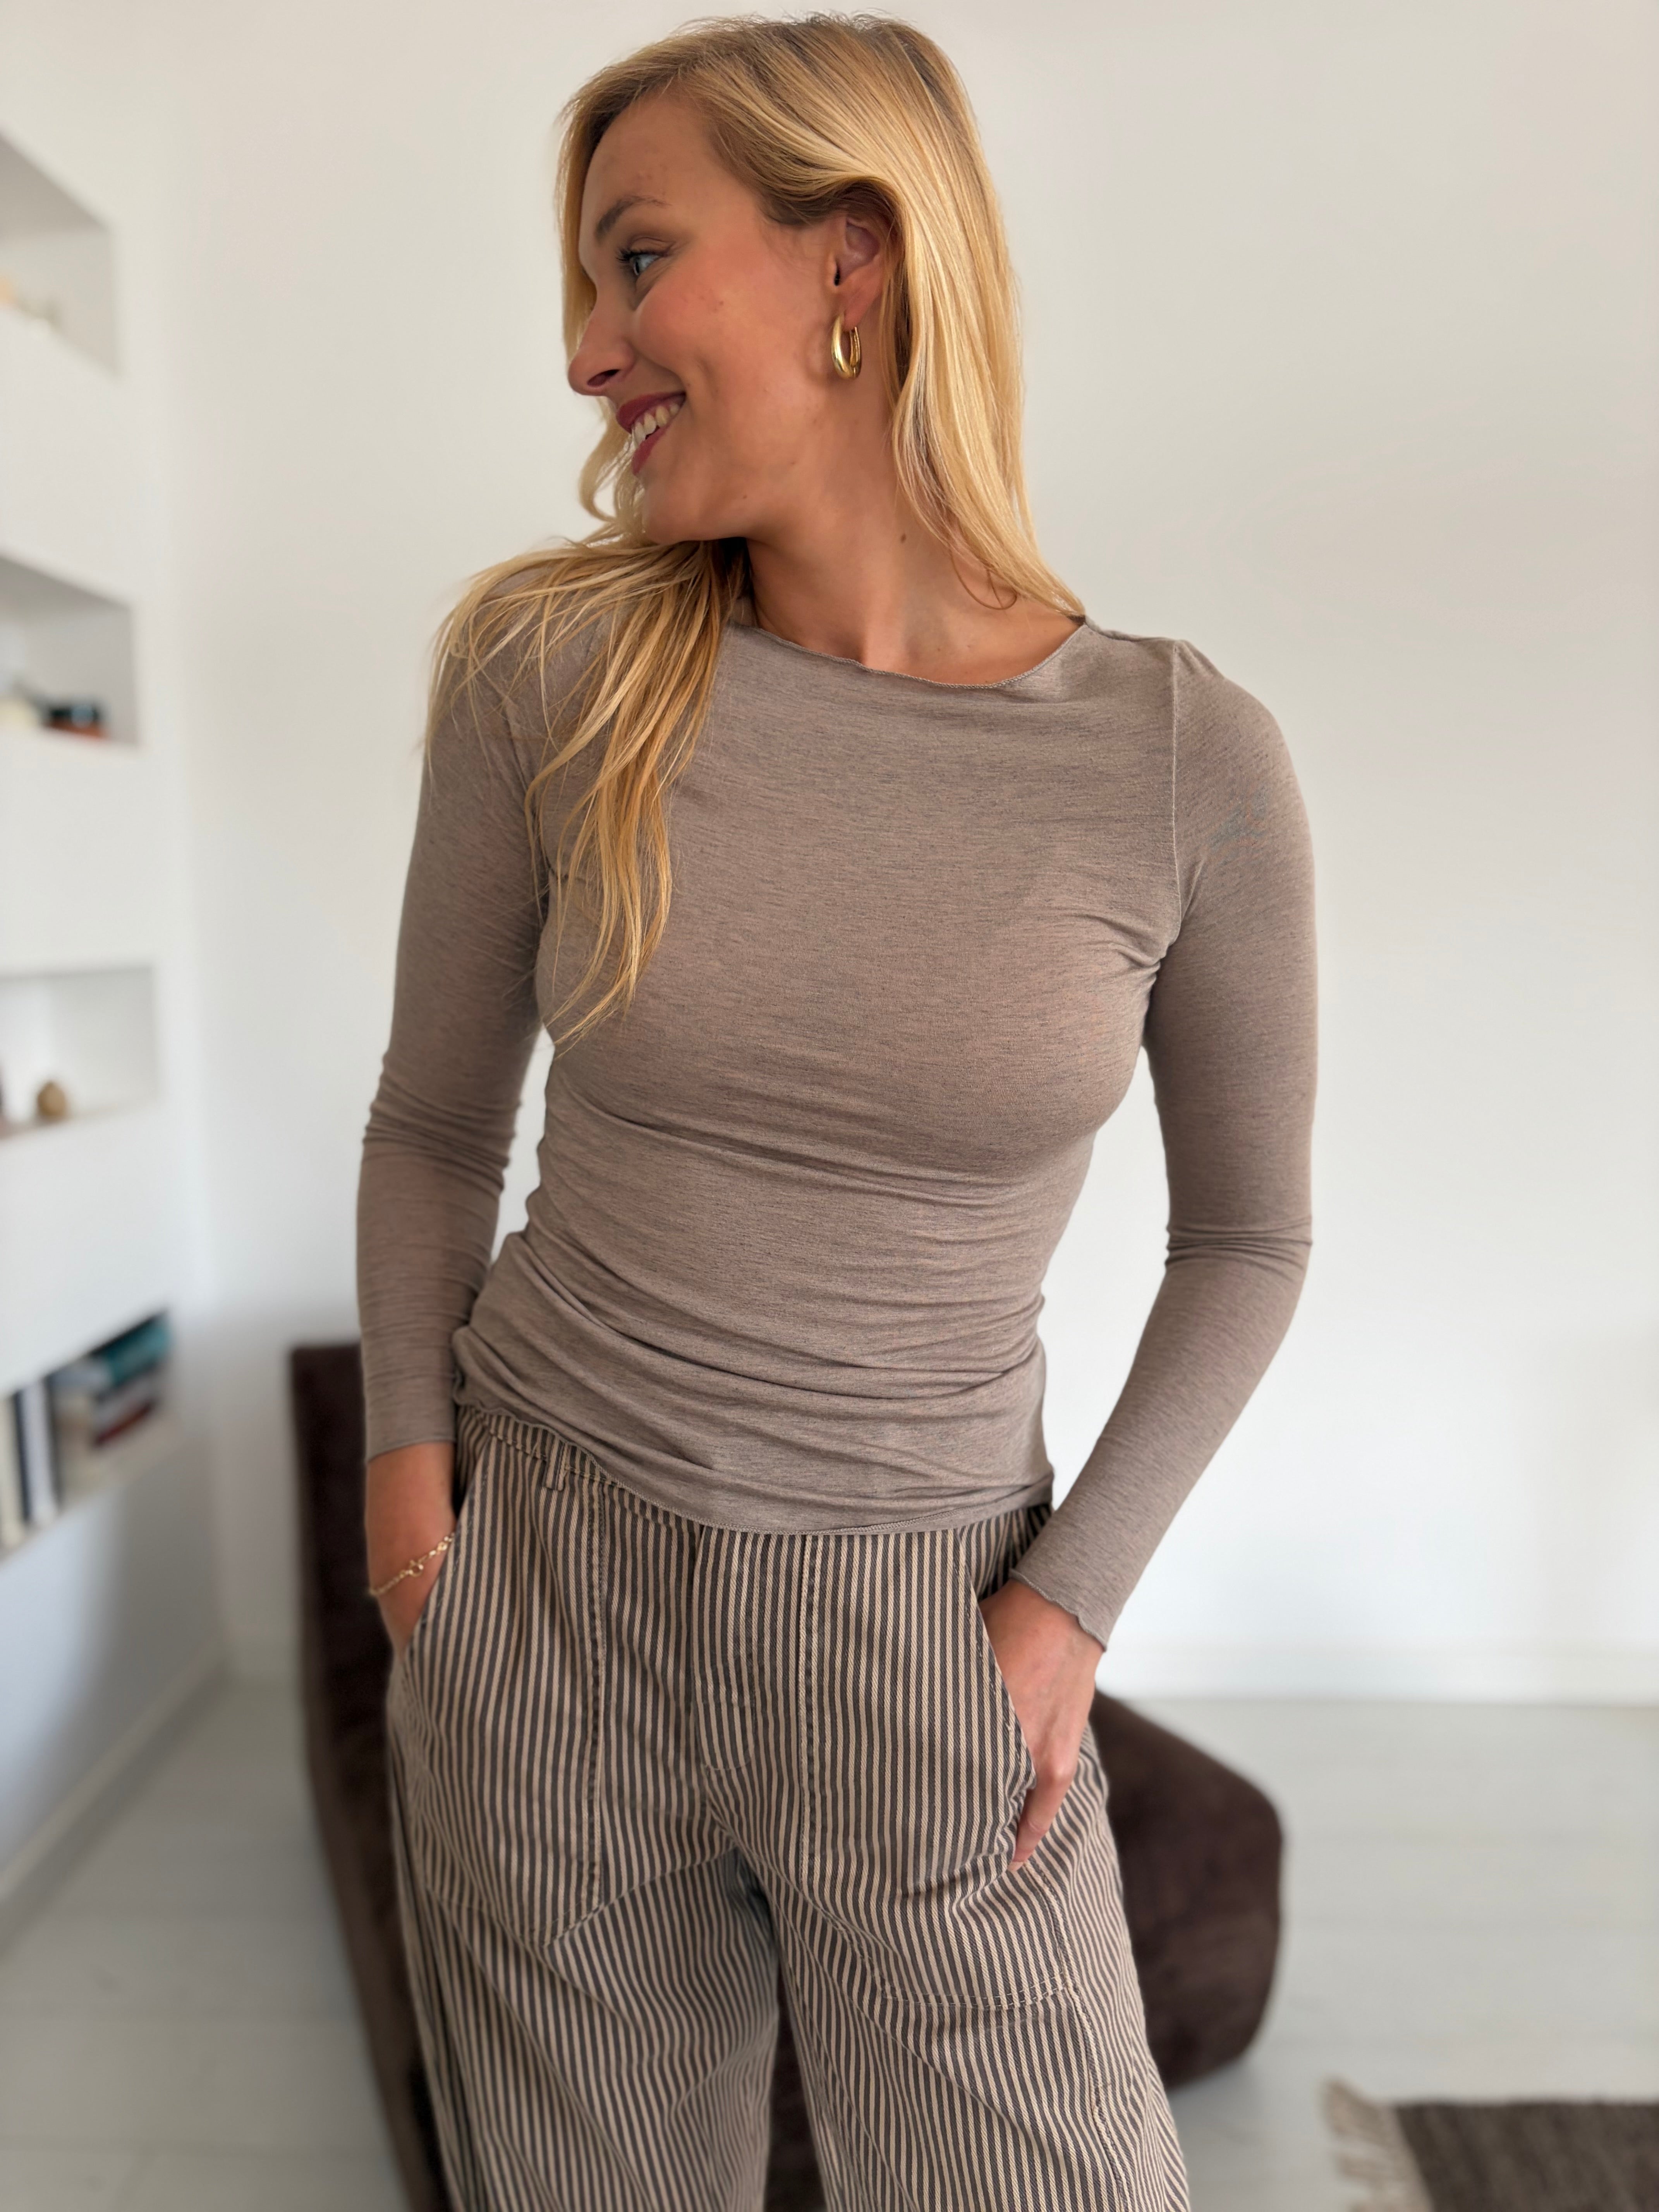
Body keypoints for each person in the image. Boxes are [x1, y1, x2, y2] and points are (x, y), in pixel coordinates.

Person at [356, 14, 1317, 2210]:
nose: (588, 353)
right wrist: (419, 1522)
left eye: (638, 261)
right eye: (585, 287)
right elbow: (433, 1124)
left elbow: (1250, 1240)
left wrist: (1068, 1608)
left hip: (928, 1618)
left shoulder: (1180, 759)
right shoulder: (547, 673)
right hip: (548, 1581)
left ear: (851, 261)